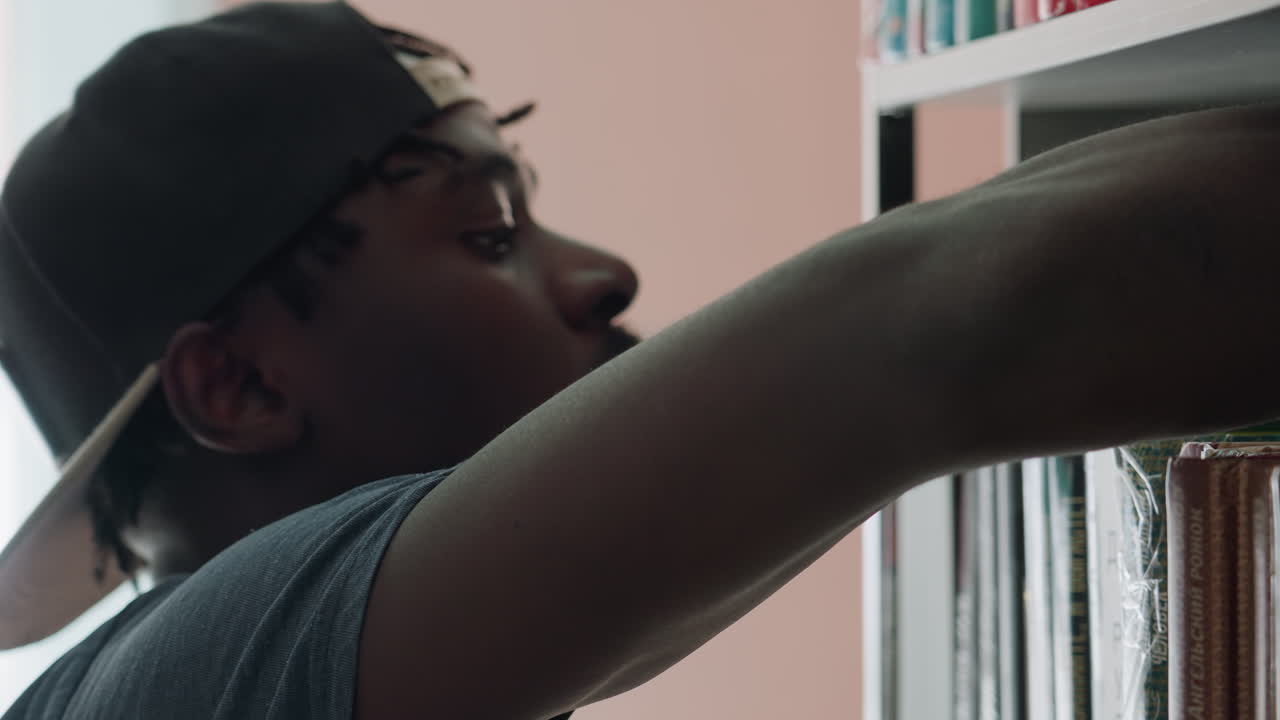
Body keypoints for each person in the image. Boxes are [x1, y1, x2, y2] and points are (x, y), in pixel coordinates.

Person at [3, 2, 1280, 718]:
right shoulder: (171, 696)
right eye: (487, 233)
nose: (601, 274)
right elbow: (944, 328)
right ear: (239, 386)